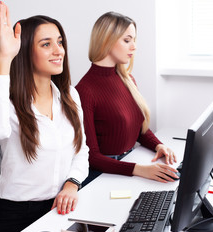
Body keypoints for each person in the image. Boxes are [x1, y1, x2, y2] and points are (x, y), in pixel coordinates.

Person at [0, 2, 89, 232]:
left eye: (59, 42)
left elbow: (80, 150)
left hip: (60, 207)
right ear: (26, 50)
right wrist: (4, 58)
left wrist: (72, 184)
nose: (59, 50)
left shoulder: (69, 95)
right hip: (16, 214)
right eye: (46, 44)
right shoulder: (6, 100)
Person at [76, 11, 178, 186]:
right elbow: (91, 157)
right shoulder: (84, 91)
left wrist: (158, 146)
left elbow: (139, 130)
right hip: (104, 174)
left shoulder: (128, 79)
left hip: (130, 161)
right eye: (127, 40)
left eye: (134, 40)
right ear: (107, 40)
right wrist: (140, 170)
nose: (134, 46)